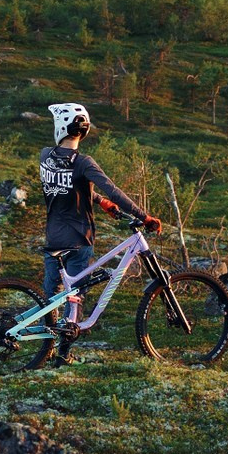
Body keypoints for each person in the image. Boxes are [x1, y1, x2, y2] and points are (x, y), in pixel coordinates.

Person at [37, 102, 158, 333]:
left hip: (54, 236)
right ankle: (64, 351)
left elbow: (68, 185)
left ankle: (46, 345)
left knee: (50, 296)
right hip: (79, 238)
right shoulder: (84, 162)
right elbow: (113, 190)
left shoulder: (45, 156)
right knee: (74, 297)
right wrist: (144, 216)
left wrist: (99, 200)